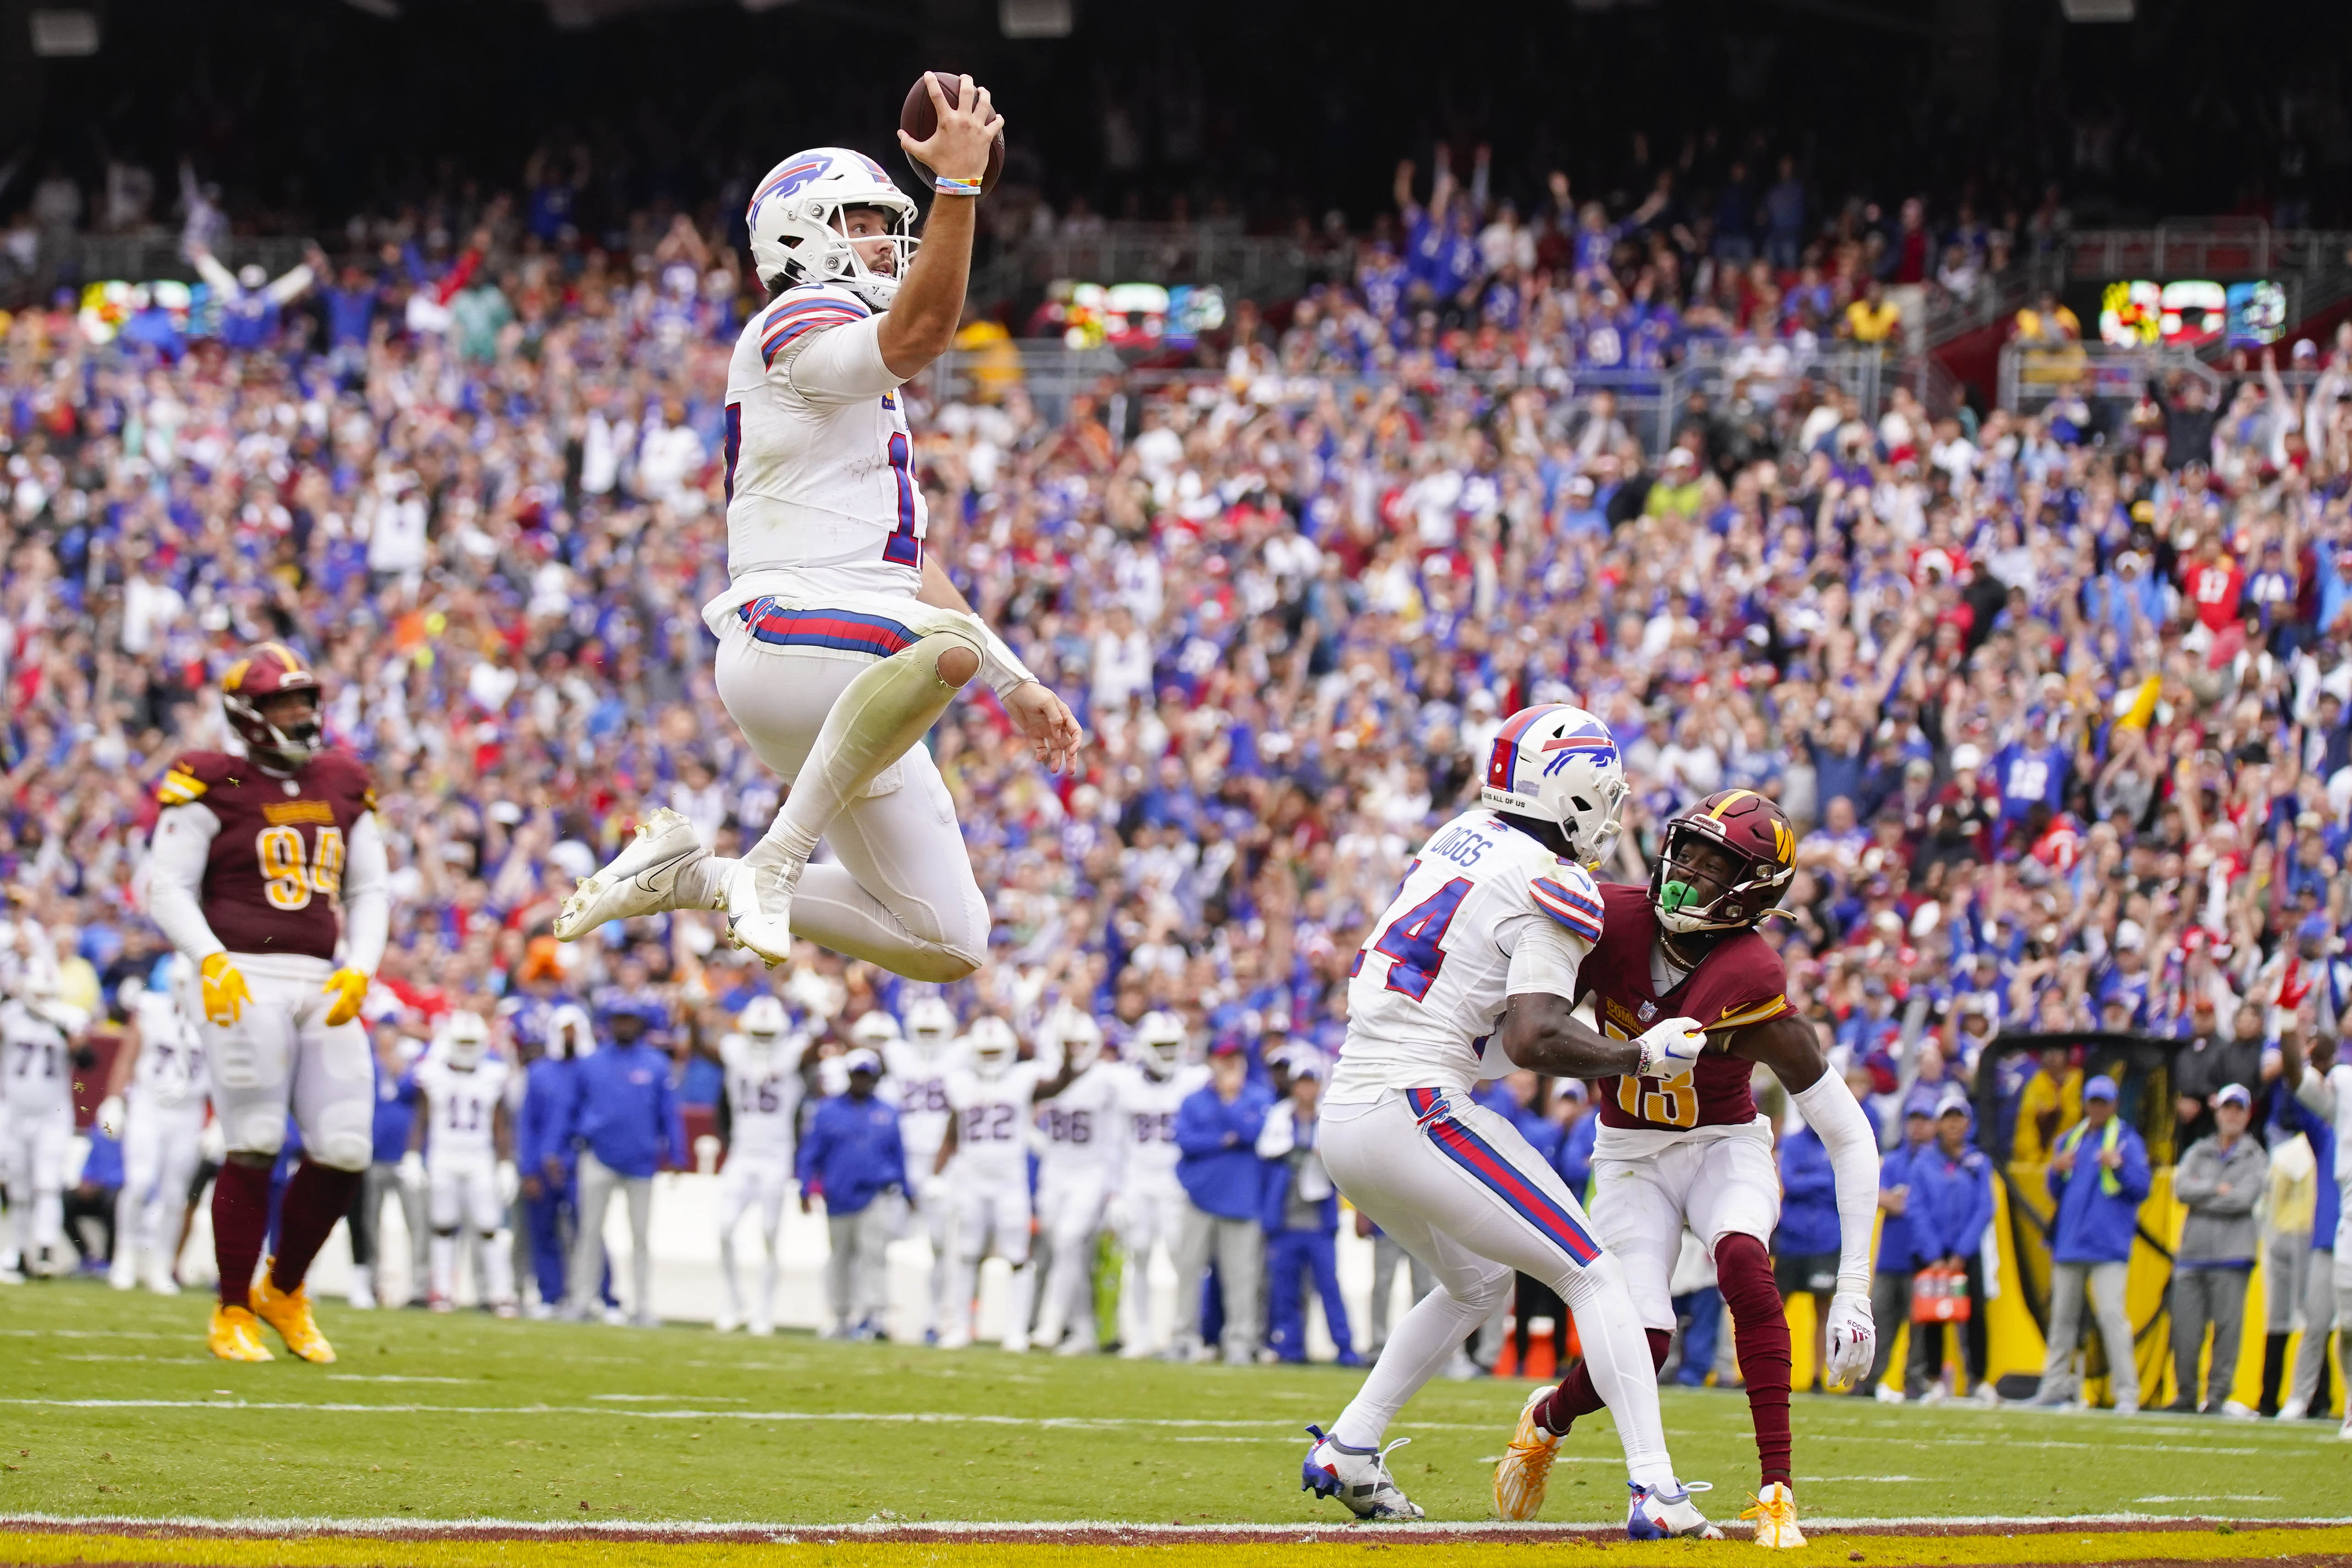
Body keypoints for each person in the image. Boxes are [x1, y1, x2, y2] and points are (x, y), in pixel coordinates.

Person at [550, 80, 1083, 980]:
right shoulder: (795, 317)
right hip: (791, 635)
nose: (884, 238)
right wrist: (956, 189)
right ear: (800, 235)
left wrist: (1016, 679)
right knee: (942, 650)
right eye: (863, 221)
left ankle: (693, 871)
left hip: (858, 653)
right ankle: (776, 854)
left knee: (946, 939)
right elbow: (917, 334)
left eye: (889, 219)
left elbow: (904, 563)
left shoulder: (849, 366)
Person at [1308, 703, 1717, 1538]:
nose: (1611, 808)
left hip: (1349, 1106)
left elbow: (1487, 1030)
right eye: (1602, 791)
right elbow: (1531, 1036)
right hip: (1415, 1102)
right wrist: (1640, 1055)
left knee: (1480, 1283)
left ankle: (1351, 1444)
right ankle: (1656, 1490)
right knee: (1595, 1273)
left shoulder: (1463, 835)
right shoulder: (1553, 878)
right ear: (1567, 791)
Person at [1498, 789, 1880, 1551]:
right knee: (1646, 1341)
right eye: (1690, 851)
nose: (1688, 873)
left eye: (1716, 865)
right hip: (1629, 1152)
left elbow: (1850, 1135)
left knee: (1743, 1258)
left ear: (1754, 891)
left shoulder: (1753, 977)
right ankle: (1549, 1418)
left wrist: (1855, 1291)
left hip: (1721, 1144)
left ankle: (1777, 1491)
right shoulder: (1612, 917)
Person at [139, 644, 389, 1362]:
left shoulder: (343, 779)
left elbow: (369, 889)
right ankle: (229, 1308)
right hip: (240, 972)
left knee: (346, 1149)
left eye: (305, 701)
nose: (301, 715)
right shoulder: (210, 778)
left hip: (321, 977)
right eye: (284, 703)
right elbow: (168, 887)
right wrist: (209, 959)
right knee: (253, 1141)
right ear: (248, 714)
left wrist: (361, 967)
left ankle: (284, 1289)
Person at [932, 1015, 1082, 1349]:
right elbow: (951, 1134)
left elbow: (1058, 1085)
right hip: (971, 1179)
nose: (989, 1058)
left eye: (995, 1052)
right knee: (968, 1254)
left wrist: (1069, 1056)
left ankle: (1015, 1330)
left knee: (1017, 1256)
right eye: (984, 1052)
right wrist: (936, 1175)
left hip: (1009, 1182)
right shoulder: (960, 1083)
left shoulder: (1021, 1079)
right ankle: (961, 1327)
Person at [2029, 1075, 2151, 1414]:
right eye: (2093, 1102)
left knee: (2113, 1316)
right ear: (2086, 1104)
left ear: (2113, 1106)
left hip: (2108, 1246)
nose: (2098, 1108)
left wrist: (2121, 1167)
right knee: (2062, 1319)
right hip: (2070, 1244)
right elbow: (2056, 1191)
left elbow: (2143, 1187)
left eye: (2104, 1103)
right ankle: (2053, 1387)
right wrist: (2055, 1171)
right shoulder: (2071, 1141)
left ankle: (2127, 1392)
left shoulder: (2127, 1142)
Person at [566, 998, 685, 1326]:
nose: (624, 1026)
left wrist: (677, 1153)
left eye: (630, 1020)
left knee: (641, 1237)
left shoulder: (656, 1065)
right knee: (589, 1232)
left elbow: (668, 1113)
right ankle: (582, 1298)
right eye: (619, 1020)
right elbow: (573, 1109)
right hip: (598, 1155)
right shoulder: (591, 1064)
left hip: (641, 1160)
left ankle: (643, 1304)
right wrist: (572, 1143)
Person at [106, 956, 208, 1294]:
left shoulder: (213, 1018)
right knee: (139, 1182)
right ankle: (124, 1258)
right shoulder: (152, 1010)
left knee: (174, 1194)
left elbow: (224, 1076)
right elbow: (127, 1058)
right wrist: (114, 1099)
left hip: (188, 1112)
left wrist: (218, 1120)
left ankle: (160, 1265)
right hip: (148, 1106)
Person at [2168, 1082, 2268, 1416]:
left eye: (2239, 1109)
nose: (2232, 1115)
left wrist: (2204, 1194)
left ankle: (2217, 1398)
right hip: (2193, 1252)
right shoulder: (2199, 1150)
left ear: (2247, 1114)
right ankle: (2186, 1395)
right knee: (2185, 1330)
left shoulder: (2255, 1156)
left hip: (2232, 1255)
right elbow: (2181, 1188)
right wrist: (2217, 1189)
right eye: (2228, 1108)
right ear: (2218, 1111)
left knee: (2227, 1332)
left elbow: (2244, 1198)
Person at [1174, 1037, 1273, 1369]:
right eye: (1222, 1058)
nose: (1229, 1065)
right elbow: (1186, 1141)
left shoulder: (1258, 1096)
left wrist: (1230, 1103)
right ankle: (1183, 1338)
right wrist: (1223, 1139)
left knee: (1242, 1277)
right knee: (1188, 1270)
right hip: (1200, 1196)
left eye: (1234, 1059)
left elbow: (1253, 1133)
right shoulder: (1194, 1100)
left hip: (1242, 1199)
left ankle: (1240, 1342)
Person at [1109, 1009, 1203, 1359]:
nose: (1167, 1053)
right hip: (1138, 1181)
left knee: (1185, 1260)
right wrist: (1115, 1192)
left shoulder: (1195, 1080)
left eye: (1172, 1046)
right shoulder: (1125, 1083)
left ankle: (1184, 1334)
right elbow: (1115, 1144)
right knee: (1140, 1256)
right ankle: (1143, 1333)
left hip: (1178, 1183)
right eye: (1160, 1046)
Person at [412, 1010, 519, 1316]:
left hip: (479, 1156)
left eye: (473, 1042)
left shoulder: (492, 1075)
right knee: (442, 1226)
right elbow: (421, 1119)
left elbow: (501, 1125)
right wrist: (412, 1155)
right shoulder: (432, 1073)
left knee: (490, 1227)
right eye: (462, 1042)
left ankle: (502, 1293)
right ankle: (443, 1291)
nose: (468, 1048)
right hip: (443, 1154)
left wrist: (506, 1163)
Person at [796, 1046, 906, 1340]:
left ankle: (876, 1317)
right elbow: (811, 1153)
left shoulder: (886, 1112)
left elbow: (898, 1155)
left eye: (866, 1076)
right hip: (839, 1195)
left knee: (875, 1256)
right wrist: (805, 1187)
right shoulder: (827, 1112)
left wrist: (905, 1188)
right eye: (857, 1075)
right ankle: (840, 1316)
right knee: (840, 1257)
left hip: (876, 1193)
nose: (861, 1081)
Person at [715, 996, 806, 1335]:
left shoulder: (793, 1052)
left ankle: (765, 1310)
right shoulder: (735, 1050)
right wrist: (694, 1015)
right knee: (724, 1229)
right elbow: (703, 1048)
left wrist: (814, 1012)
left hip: (776, 1156)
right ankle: (735, 1300)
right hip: (742, 1154)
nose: (763, 1039)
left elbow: (814, 1047)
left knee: (769, 1234)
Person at [1258, 1056, 1357, 1366]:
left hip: (1318, 1220)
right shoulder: (1279, 1117)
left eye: (1311, 1083)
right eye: (1302, 1083)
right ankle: (1291, 1347)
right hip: (1285, 1218)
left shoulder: (1328, 1117)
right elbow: (1266, 1153)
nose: (1306, 1089)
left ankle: (1345, 1348)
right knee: (1285, 1290)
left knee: (1329, 1286)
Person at [1030, 1010, 1118, 1355]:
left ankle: (1051, 1324)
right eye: (1070, 1043)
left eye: (1082, 1043)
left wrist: (1115, 1187)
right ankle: (1082, 1328)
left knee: (1069, 1241)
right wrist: (1037, 1143)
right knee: (1066, 1249)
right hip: (1056, 1169)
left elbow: (1120, 1133)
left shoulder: (1107, 1078)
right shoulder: (1045, 1074)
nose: (1077, 1049)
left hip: (1090, 1171)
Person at [2280, 1027, 2352, 1441]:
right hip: (2346, 1222)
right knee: (2346, 1325)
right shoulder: (2343, 1084)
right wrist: (2290, 1022)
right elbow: (2297, 1077)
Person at [1903, 1088, 1994, 1403]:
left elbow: (1985, 1208)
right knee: (1932, 1317)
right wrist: (1934, 1255)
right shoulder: (1924, 1162)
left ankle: (1979, 1378)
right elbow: (1917, 1208)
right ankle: (1933, 1379)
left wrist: (1961, 1253)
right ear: (1939, 1124)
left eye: (1960, 1119)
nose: (1955, 1125)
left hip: (1965, 1253)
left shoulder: (1978, 1161)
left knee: (1977, 1315)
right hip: (1934, 1254)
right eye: (1948, 1119)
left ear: (1968, 1124)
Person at [879, 998, 960, 1342]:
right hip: (905, 1159)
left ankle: (936, 1317)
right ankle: (880, 1313)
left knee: (942, 1243)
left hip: (944, 1162)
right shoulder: (898, 1055)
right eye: (922, 1030)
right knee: (883, 1238)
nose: (928, 1037)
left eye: (934, 1030)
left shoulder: (961, 1057)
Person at [2, 965, 88, 1279]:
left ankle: (45, 1250)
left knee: (48, 1183)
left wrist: (61, 1028)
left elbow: (88, 1060)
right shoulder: (10, 1015)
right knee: (19, 1186)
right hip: (14, 1111)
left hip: (52, 1114)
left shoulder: (68, 1018)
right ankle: (17, 1249)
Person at [514, 1004, 590, 1318]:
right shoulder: (539, 1072)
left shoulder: (591, 1070)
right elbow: (527, 1124)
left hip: (578, 1166)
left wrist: (570, 1157)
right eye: (564, 1030)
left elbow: (592, 1119)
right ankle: (550, 1294)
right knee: (542, 1233)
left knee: (587, 1233)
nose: (570, 1037)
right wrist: (530, 1167)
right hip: (543, 1167)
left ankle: (596, 1295)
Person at [1863, 1095, 1936, 1399]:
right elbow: (1878, 1196)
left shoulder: (1936, 1162)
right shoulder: (1894, 1160)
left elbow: (1925, 1204)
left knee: (1922, 1328)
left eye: (1924, 1121)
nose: (1918, 1127)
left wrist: (1903, 1201)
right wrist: (1903, 1201)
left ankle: (1915, 1382)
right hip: (1891, 1257)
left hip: (1923, 1258)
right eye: (1913, 1120)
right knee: (1879, 1322)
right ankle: (1868, 1381)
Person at [1771, 1103, 1840, 1393]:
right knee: (1774, 1308)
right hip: (1793, 1238)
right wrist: (1823, 1181)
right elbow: (1790, 1183)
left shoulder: (1838, 1143)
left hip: (1826, 1239)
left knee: (1823, 1310)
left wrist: (1807, 1180)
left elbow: (1842, 1184)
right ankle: (1762, 1371)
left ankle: (1817, 1377)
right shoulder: (1793, 1143)